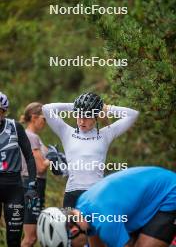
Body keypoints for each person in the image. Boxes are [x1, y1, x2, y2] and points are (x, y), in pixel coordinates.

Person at [42, 92, 139, 208]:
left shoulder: (105, 134)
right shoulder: (66, 132)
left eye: (87, 117)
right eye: (79, 116)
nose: (82, 121)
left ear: (95, 117)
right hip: (72, 193)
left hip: (96, 193)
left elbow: (133, 114)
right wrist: (76, 106)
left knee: (94, 227)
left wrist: (106, 108)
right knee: (70, 226)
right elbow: (46, 109)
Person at [37, 166, 176, 247]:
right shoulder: (83, 207)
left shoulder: (106, 221)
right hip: (148, 198)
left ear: (73, 231)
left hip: (169, 192)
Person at [0, 92, 37, 247]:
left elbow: (29, 156)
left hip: (14, 187)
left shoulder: (15, 127)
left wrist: (31, 186)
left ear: (4, 111)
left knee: (14, 239)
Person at [20, 102, 50, 247]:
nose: (45, 122)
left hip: (33, 187)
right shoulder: (31, 137)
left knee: (34, 237)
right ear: (34, 118)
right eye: (44, 118)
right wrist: (53, 159)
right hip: (32, 187)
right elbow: (40, 168)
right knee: (30, 238)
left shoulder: (32, 136)